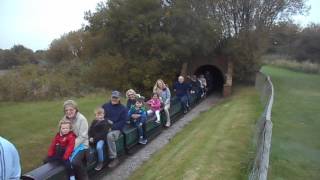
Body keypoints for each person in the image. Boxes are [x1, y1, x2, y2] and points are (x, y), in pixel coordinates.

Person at [63, 100, 89, 180]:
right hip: (69, 145)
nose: (68, 112)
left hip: (82, 145)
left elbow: (82, 137)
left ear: (75, 109)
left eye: (71, 110)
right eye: (66, 110)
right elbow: (62, 132)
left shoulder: (82, 119)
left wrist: (71, 147)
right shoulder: (65, 119)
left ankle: (84, 177)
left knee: (75, 162)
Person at [102, 91, 127, 168]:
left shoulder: (123, 108)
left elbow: (123, 122)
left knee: (109, 136)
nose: (114, 99)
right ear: (111, 97)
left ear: (119, 98)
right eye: (113, 97)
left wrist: (112, 128)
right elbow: (101, 116)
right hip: (105, 126)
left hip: (117, 129)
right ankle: (100, 159)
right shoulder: (105, 106)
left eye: (116, 97)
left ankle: (114, 158)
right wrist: (106, 123)